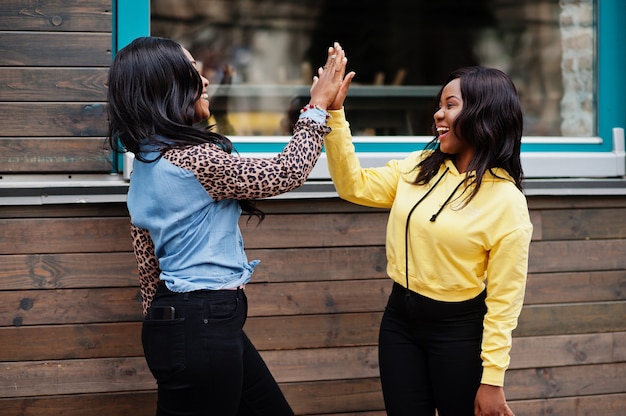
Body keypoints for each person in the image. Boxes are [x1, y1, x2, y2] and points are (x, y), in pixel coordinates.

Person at [107, 36, 351, 416]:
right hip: (201, 325)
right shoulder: (194, 160)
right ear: (167, 86)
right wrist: (317, 107)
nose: (204, 80)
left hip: (190, 324)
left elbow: (148, 267)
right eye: (192, 72)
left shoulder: (147, 166)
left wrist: (170, 334)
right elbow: (285, 172)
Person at [323, 65, 533, 416]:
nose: (438, 113)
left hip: (458, 333)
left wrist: (492, 378)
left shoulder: (507, 202)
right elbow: (353, 185)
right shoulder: (421, 167)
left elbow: (504, 302)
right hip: (399, 322)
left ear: (484, 113)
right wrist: (334, 114)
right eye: (440, 105)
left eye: (450, 104)